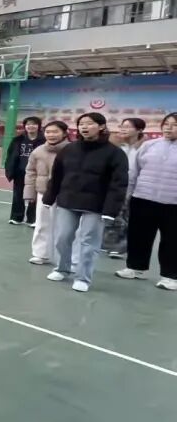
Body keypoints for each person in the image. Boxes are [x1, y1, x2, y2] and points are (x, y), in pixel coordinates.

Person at [43, 112, 128, 293]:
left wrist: (110, 210)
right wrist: (49, 197)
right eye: (81, 124)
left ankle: (83, 277)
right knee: (62, 237)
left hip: (96, 205)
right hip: (68, 200)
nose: (84, 127)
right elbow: (56, 175)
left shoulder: (115, 153)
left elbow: (119, 184)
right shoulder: (69, 149)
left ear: (101, 126)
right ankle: (62, 268)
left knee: (89, 242)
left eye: (89, 123)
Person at [116, 112, 177, 290]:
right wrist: (128, 194)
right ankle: (136, 268)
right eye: (166, 124)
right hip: (143, 198)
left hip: (173, 203)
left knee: (172, 240)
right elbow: (134, 172)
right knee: (138, 236)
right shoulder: (149, 145)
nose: (168, 128)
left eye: (174, 125)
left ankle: (170, 276)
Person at [24, 121, 70, 265]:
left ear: (64, 133)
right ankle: (40, 254)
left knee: (65, 227)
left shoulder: (72, 150)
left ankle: (62, 257)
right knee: (42, 224)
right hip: (44, 193)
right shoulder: (38, 151)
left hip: (65, 194)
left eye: (55, 132)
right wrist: (29, 193)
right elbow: (30, 172)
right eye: (48, 132)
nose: (51, 135)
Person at [104, 117, 148, 259]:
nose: (123, 129)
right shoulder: (114, 145)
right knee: (113, 216)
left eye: (128, 127)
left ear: (139, 130)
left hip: (137, 189)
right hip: (115, 186)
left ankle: (121, 247)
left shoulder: (145, 147)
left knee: (128, 218)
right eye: (122, 126)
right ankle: (109, 244)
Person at [5, 116, 44, 225]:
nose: (31, 126)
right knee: (18, 195)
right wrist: (9, 169)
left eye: (34, 124)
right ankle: (16, 217)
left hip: (37, 172)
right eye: (28, 124)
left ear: (39, 126)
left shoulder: (44, 141)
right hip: (20, 171)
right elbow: (10, 155)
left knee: (35, 196)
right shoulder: (18, 140)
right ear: (25, 126)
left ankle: (33, 219)